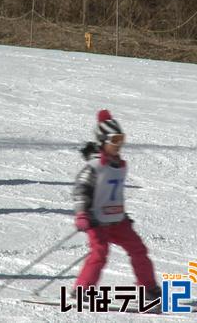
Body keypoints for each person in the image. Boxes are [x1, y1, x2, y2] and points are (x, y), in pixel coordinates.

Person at [71, 109, 160, 303]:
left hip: (117, 221)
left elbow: (115, 195)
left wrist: (123, 214)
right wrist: (82, 214)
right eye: (115, 140)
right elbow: (80, 190)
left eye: (122, 139)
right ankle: (82, 291)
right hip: (97, 220)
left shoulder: (119, 166)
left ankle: (148, 288)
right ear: (103, 141)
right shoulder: (94, 166)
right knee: (100, 253)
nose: (119, 145)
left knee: (138, 250)